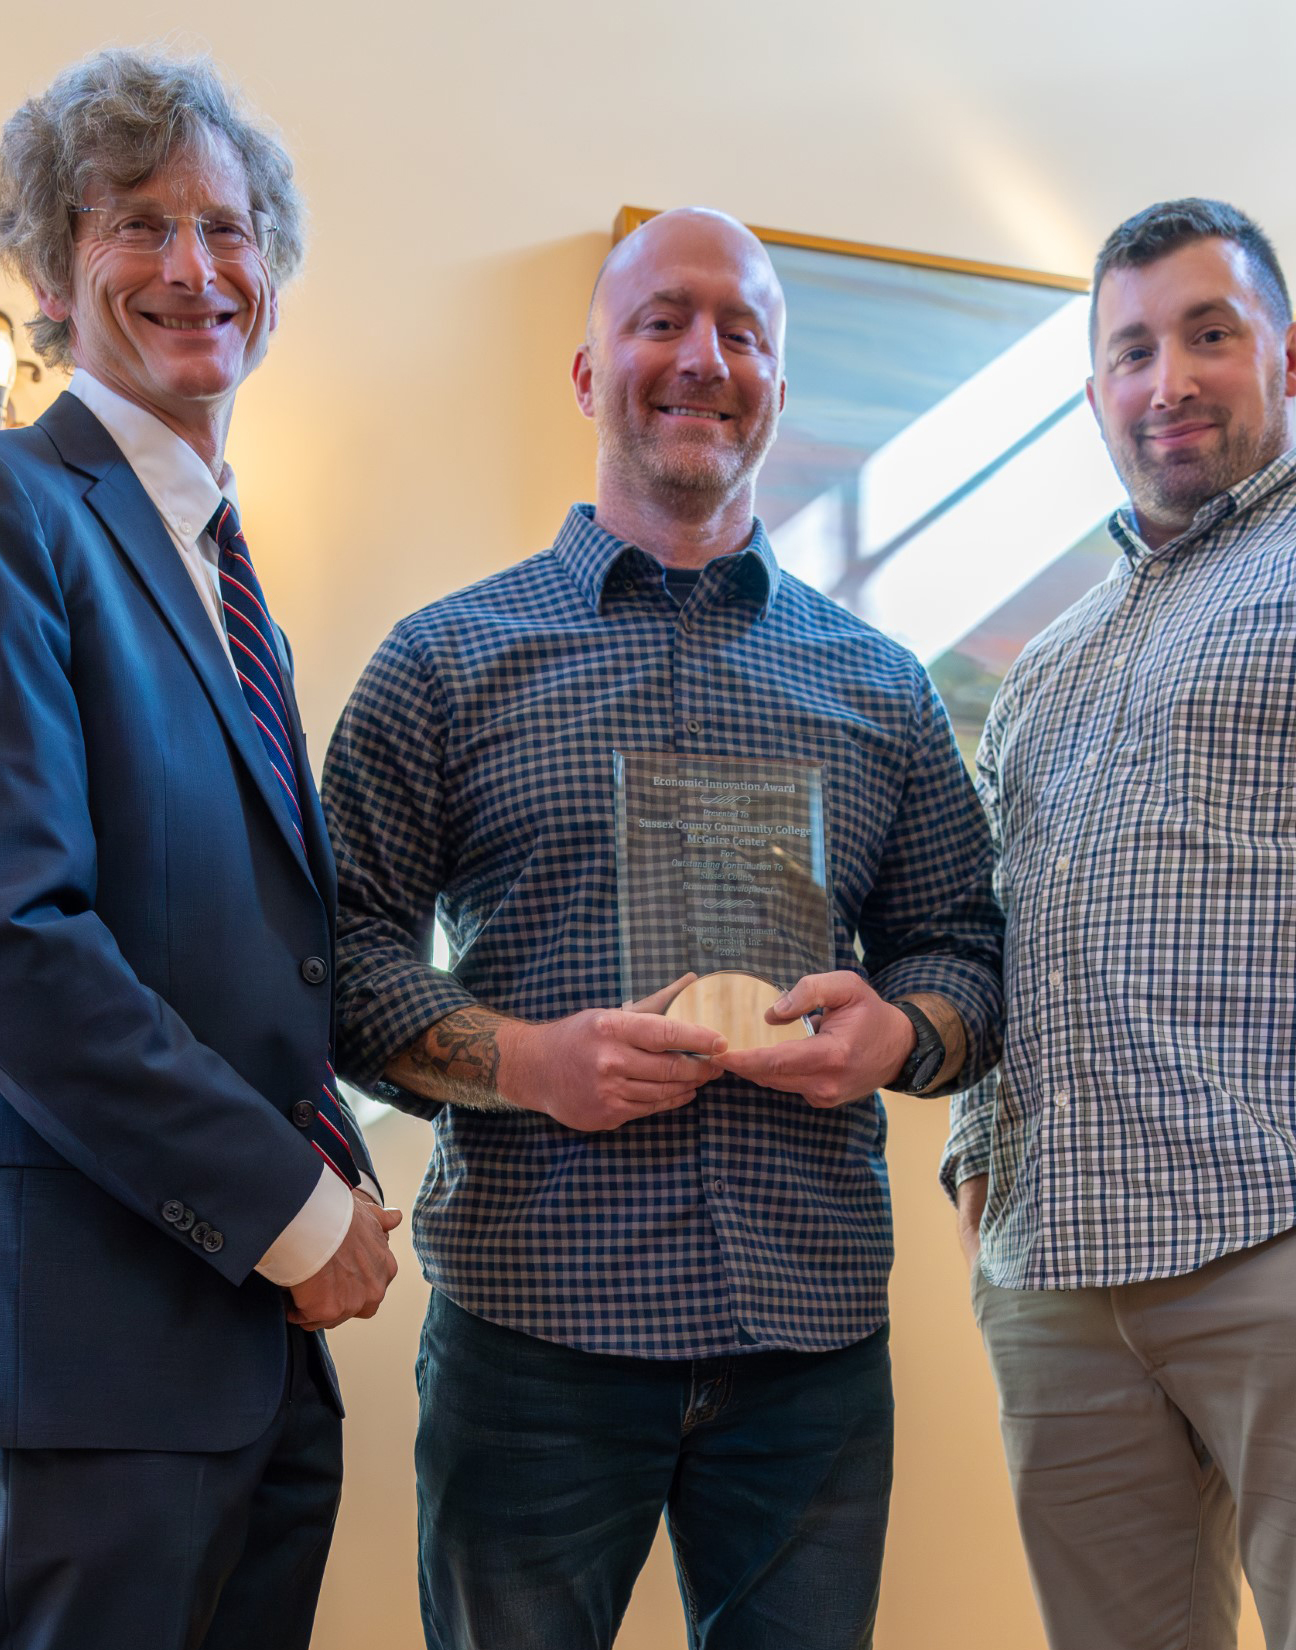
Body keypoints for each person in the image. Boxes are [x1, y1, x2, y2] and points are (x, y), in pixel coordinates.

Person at [323, 206, 1004, 1649]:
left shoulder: (881, 686)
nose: (703, 358)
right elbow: (338, 957)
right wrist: (525, 1060)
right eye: (661, 321)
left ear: (773, 380)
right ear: (587, 372)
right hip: (533, 1339)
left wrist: (896, 1033)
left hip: (807, 1348)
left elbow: (964, 948)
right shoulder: (445, 661)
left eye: (741, 332)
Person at [0, 49, 400, 1650]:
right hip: (90, 1347)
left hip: (249, 1353)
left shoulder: (237, 586)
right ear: (46, 265)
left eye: (227, 228)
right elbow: (2, 940)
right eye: (136, 224)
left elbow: (242, 951)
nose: (193, 267)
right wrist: (294, 1212)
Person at [945, 197, 1296, 1650]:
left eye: (1207, 332)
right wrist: (972, 1175)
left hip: (1294, 1239)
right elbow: (1007, 913)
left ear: (1288, 351)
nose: (1166, 378)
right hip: (1057, 1270)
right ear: (1091, 392)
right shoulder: (1049, 663)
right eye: (1129, 349)